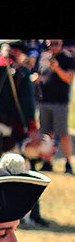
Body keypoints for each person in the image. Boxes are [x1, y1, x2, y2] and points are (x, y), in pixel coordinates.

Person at [33, 39, 74, 174]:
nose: (52, 47)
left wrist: (56, 68)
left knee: (63, 134)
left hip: (60, 103)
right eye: (50, 44)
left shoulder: (67, 58)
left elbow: (68, 78)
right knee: (46, 134)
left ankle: (68, 163)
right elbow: (41, 74)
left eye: (55, 44)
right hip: (44, 101)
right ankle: (47, 162)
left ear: (61, 43)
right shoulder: (44, 57)